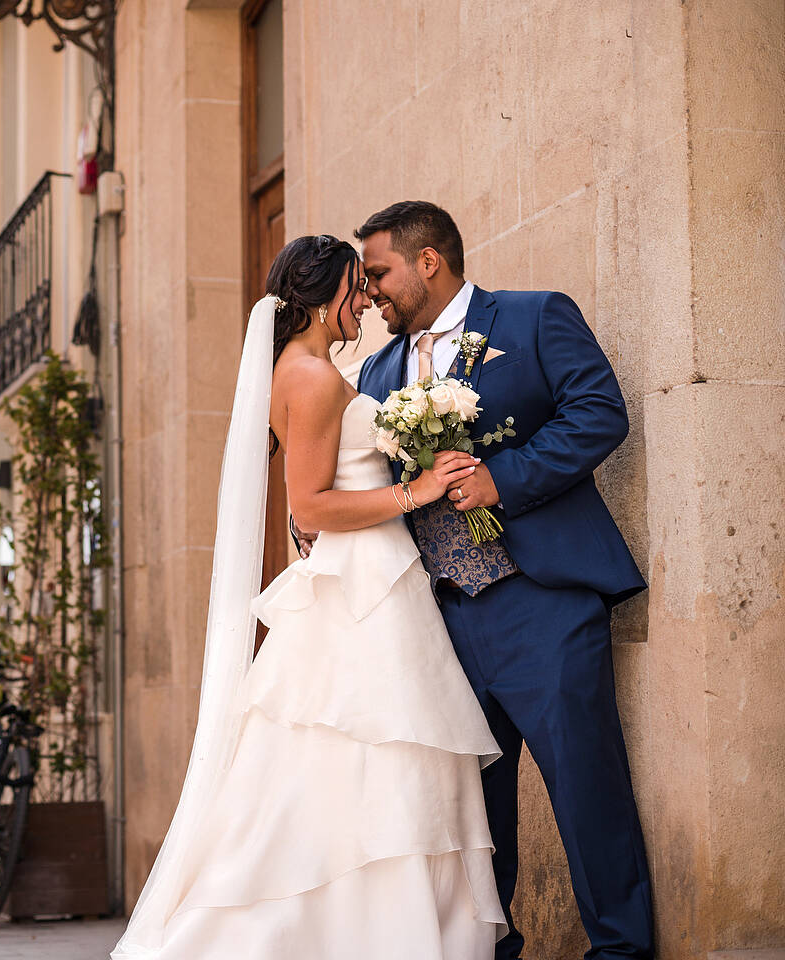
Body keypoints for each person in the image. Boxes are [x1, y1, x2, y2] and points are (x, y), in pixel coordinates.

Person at [113, 235, 506, 959]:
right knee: (378, 751)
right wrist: (419, 489)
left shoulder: (304, 371)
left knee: (364, 758)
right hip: (364, 589)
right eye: (358, 287)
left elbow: (309, 509)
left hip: (370, 573)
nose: (367, 302)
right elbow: (312, 505)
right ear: (326, 299)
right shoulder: (314, 377)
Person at [355, 201, 653, 959]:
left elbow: (599, 414)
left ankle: (620, 950)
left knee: (586, 788)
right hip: (441, 620)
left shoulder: (533, 317)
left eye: (379, 273)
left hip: (541, 602)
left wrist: (505, 479)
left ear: (428, 262)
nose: (370, 291)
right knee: (471, 818)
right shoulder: (378, 372)